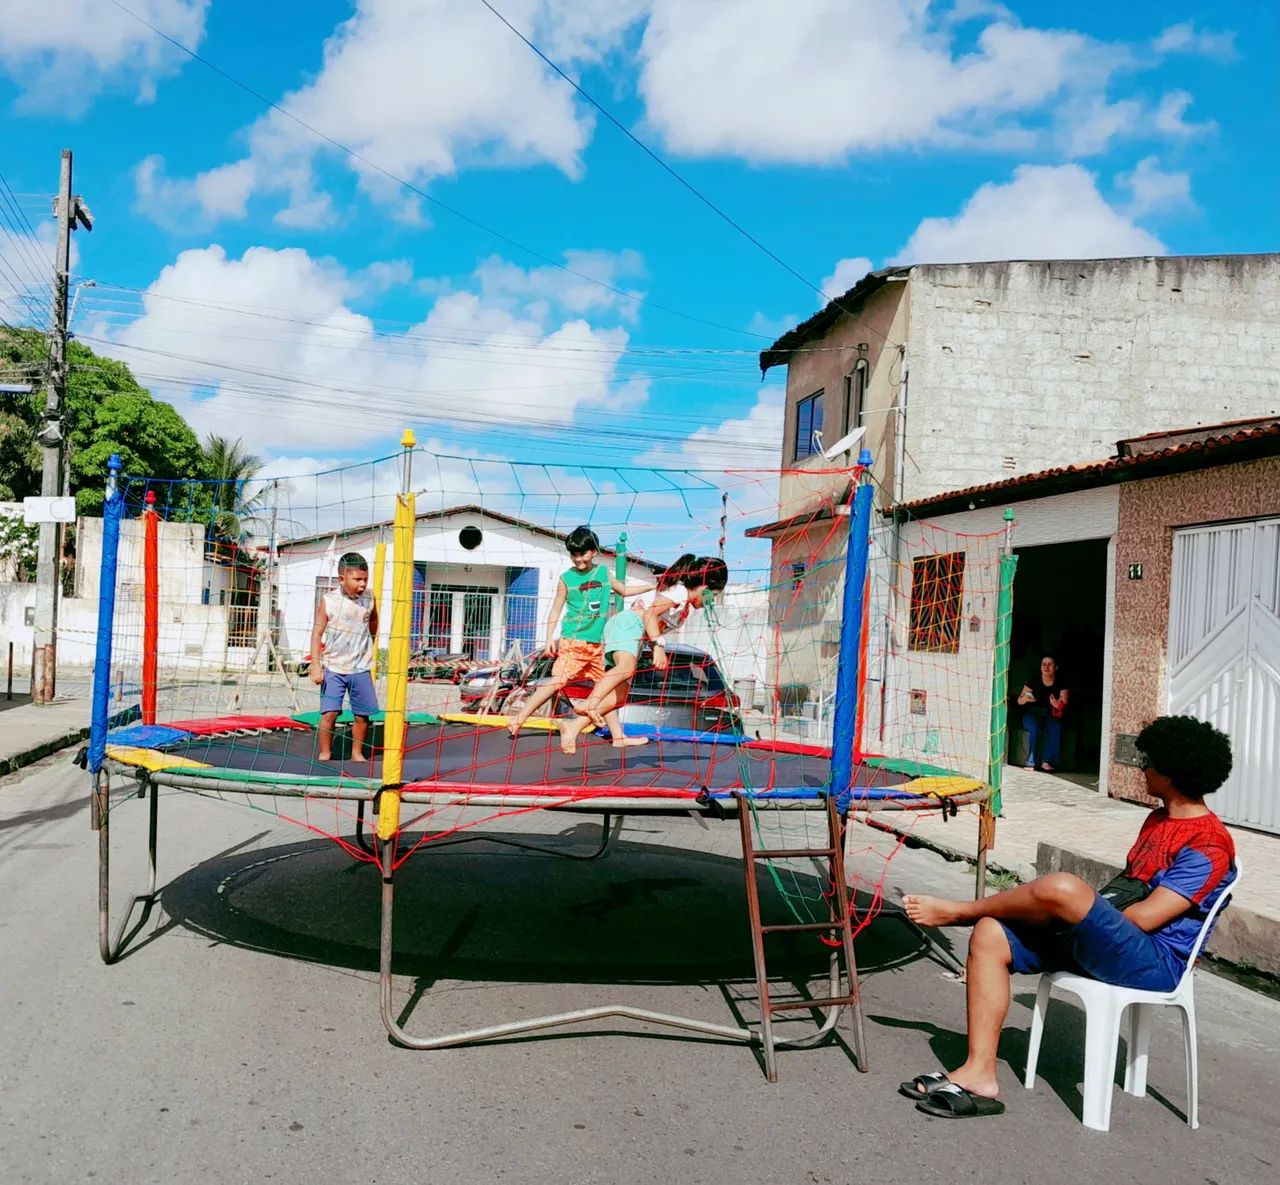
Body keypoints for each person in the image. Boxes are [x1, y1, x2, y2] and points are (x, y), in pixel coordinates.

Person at [898, 715, 1235, 1119]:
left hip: (1154, 961)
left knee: (1063, 888)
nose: (1141, 768)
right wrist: (1072, 915)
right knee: (991, 933)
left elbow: (1145, 918)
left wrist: (1077, 909)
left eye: (1148, 761)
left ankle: (960, 911)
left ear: (1170, 772)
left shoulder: (1209, 844)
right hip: (1111, 944)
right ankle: (978, 1072)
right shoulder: (1158, 820)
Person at [559, 554, 729, 755]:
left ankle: (594, 731)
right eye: (713, 595)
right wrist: (658, 647)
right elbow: (649, 614)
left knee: (620, 694)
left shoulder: (684, 606)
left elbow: (654, 622)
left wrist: (651, 643)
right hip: (628, 624)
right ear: (704, 587)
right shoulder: (681, 592)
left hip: (633, 634)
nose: (711, 601)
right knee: (625, 668)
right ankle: (589, 703)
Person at [505, 526, 653, 745]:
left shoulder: (603, 573)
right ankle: (519, 717)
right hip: (573, 641)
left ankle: (618, 736)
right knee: (558, 681)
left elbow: (624, 590)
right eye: (574, 555)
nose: (578, 559)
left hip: (597, 645)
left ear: (593, 552)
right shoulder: (567, 579)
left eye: (582, 554)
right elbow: (555, 609)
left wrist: (651, 586)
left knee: (605, 689)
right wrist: (549, 638)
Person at [310, 552, 379, 763]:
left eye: (365, 579)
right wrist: (315, 664)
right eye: (357, 579)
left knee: (362, 715)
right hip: (334, 667)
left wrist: (368, 646)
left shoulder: (369, 597)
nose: (362, 584)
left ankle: (357, 752)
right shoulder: (329, 600)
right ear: (342, 578)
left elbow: (373, 621)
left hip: (360, 667)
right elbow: (317, 633)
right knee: (329, 713)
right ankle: (325, 752)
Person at [1017, 655, 1068, 772]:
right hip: (1032, 712)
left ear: (1056, 667)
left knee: (1055, 725)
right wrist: (1025, 699)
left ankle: (1047, 761)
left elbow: (1064, 702)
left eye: (1050, 664)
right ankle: (1031, 761)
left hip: (1051, 713)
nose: (1046, 667)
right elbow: (1019, 701)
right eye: (1044, 664)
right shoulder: (1033, 680)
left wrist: (1057, 704)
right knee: (1034, 727)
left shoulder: (1061, 682)